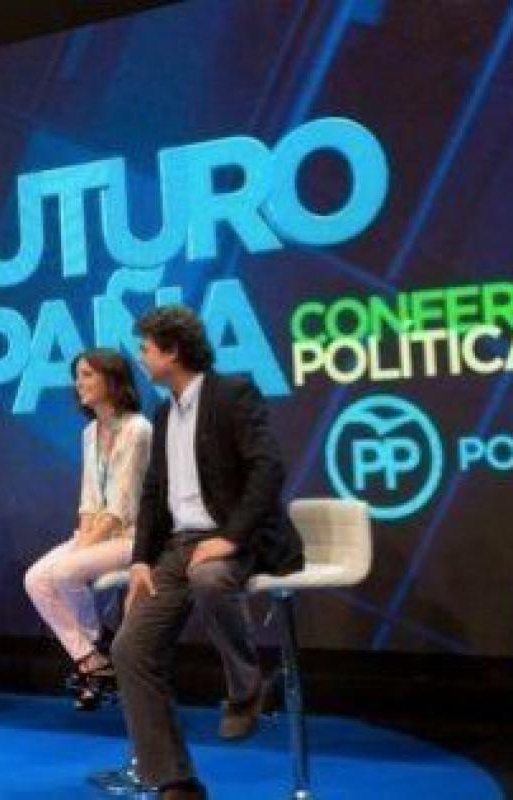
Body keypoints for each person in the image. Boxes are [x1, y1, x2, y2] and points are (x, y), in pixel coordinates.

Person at [110, 305, 304, 799]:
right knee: (130, 650)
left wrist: (231, 538)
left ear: (172, 351)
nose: (141, 358)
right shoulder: (163, 412)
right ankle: (175, 780)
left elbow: (268, 470)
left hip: (238, 537)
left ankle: (246, 689)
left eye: (146, 348)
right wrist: (139, 560)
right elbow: (154, 493)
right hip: (178, 546)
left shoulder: (232, 394)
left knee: (210, 576)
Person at [24, 348, 151, 710]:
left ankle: (96, 644)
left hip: (135, 536)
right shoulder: (90, 432)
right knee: (35, 578)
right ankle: (91, 659)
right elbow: (89, 499)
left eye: (87, 375)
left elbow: (122, 505)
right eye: (77, 376)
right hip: (99, 534)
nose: (78, 383)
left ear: (112, 379)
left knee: (64, 571)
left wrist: (83, 548)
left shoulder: (137, 429)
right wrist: (82, 537)